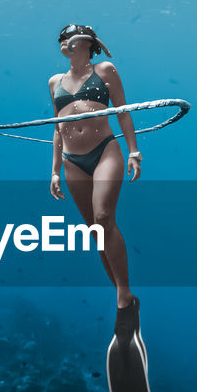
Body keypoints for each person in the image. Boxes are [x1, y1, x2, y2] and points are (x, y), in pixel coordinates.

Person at [47, 23, 140, 310]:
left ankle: (124, 295)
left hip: (104, 152)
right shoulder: (54, 81)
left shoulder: (105, 70)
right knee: (94, 230)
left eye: (70, 38)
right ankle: (123, 298)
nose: (64, 43)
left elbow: (122, 111)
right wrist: (54, 170)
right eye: (61, 39)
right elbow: (56, 127)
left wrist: (134, 150)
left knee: (103, 217)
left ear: (87, 43)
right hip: (71, 162)